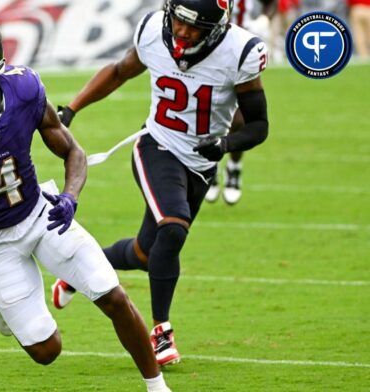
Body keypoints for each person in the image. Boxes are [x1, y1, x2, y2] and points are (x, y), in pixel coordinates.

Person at [0, 14, 170, 392]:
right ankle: (2, 301)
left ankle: (157, 387)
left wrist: (70, 197)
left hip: (43, 214)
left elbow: (72, 149)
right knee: (47, 350)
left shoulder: (23, 89)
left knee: (113, 295)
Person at [53, 0, 270, 366]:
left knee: (145, 253)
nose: (183, 32)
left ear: (216, 28)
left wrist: (226, 144)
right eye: (179, 22)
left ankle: (75, 273)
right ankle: (160, 331)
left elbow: (259, 125)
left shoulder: (241, 51)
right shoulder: (154, 29)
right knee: (172, 228)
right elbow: (121, 70)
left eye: (194, 26)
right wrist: (71, 109)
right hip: (156, 145)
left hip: (202, 163)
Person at [205, 0, 276, 204]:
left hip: (241, 53)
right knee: (204, 113)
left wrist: (263, 19)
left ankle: (234, 167)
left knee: (239, 121)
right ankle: (209, 167)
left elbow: (271, 3)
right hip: (206, 54)